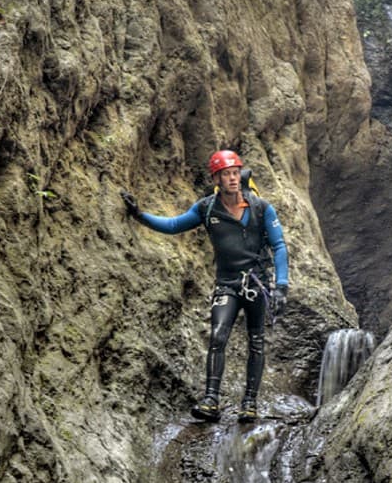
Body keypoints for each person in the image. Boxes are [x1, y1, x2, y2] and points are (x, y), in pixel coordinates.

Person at [121, 150, 289, 423]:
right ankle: (211, 399)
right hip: (227, 284)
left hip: (256, 283)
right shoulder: (207, 208)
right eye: (226, 174)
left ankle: (249, 403)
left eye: (235, 173)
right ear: (217, 178)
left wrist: (281, 286)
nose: (233, 178)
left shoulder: (261, 207)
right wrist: (139, 215)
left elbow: (279, 246)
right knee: (218, 335)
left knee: (256, 342)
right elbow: (175, 225)